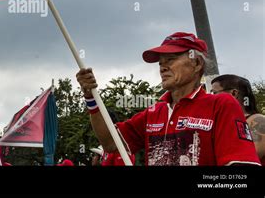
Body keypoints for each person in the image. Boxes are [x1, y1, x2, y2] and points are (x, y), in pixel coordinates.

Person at [76, 32, 261, 166]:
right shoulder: (154, 112)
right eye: (161, 63)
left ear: (196, 63)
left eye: (171, 60)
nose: (162, 68)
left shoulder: (220, 104)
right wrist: (90, 97)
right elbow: (109, 142)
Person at [211, 74, 265, 165]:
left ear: (234, 93)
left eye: (214, 93)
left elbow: (248, 158)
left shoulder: (258, 120)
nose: (211, 97)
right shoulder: (222, 122)